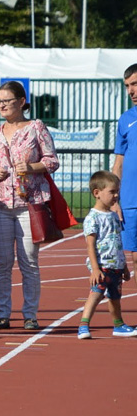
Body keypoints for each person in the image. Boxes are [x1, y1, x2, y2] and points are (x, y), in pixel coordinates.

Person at [0, 80, 59, 331]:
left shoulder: (36, 127)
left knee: (29, 261)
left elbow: (52, 160)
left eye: (7, 101)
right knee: (2, 262)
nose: (2, 105)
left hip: (29, 203)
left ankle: (30, 314)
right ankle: (3, 314)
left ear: (22, 102)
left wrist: (32, 167)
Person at [77, 171, 136, 339]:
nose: (116, 195)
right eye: (112, 192)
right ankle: (83, 325)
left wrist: (124, 266)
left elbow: (117, 242)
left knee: (115, 297)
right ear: (97, 193)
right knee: (96, 294)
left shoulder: (114, 216)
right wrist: (95, 269)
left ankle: (118, 325)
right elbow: (90, 246)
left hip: (116, 265)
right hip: (102, 266)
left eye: (117, 191)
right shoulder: (92, 218)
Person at [112, 63, 137, 288]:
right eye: (128, 86)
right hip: (131, 201)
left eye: (135, 84)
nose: (131, 90)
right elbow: (118, 162)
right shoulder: (125, 119)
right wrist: (114, 199)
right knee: (136, 257)